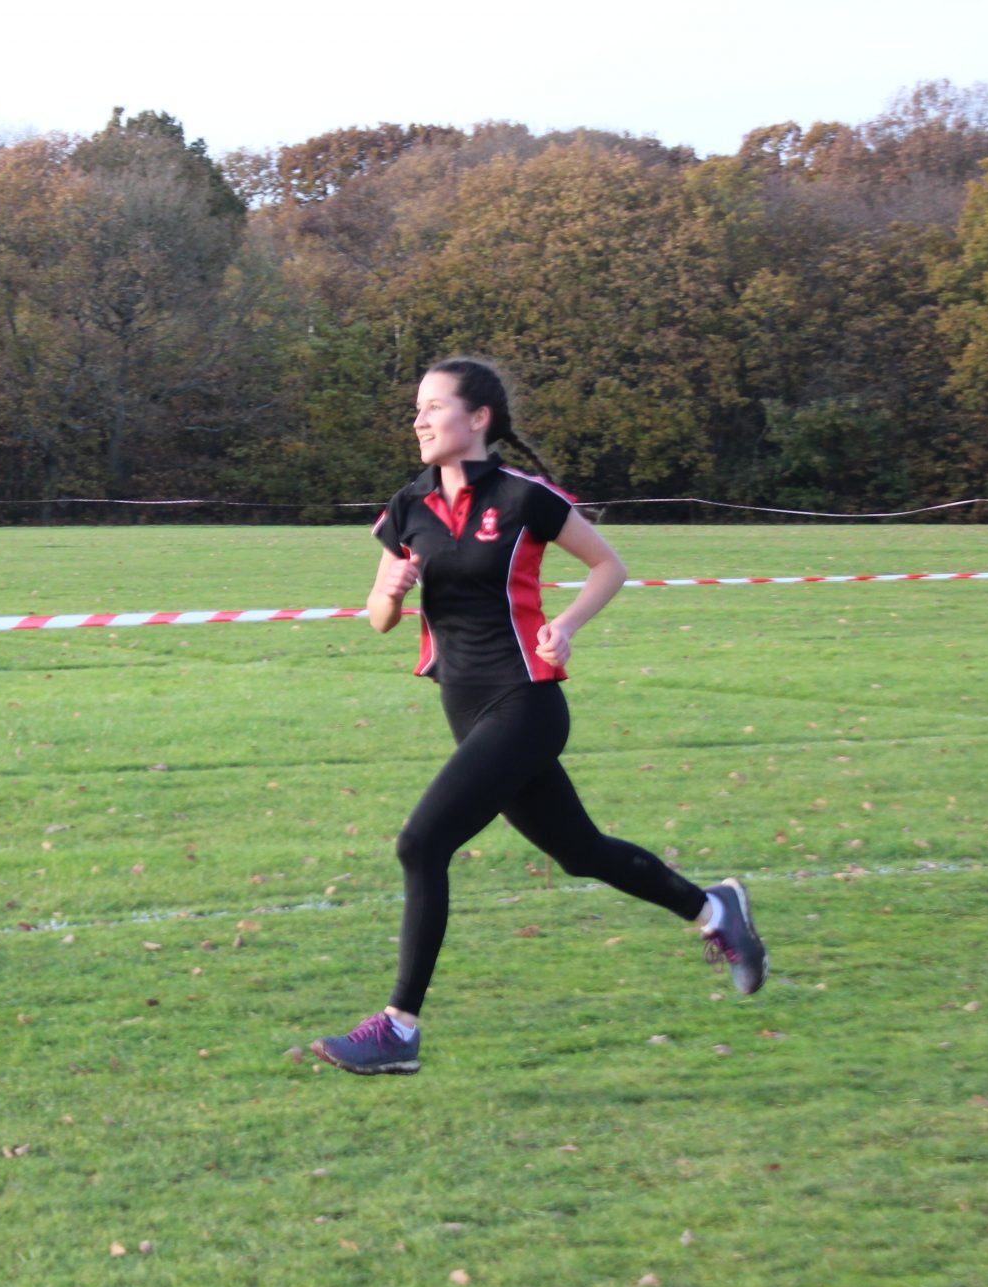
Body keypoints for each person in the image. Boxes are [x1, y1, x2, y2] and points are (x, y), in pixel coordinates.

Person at [310, 357, 767, 1077]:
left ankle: (399, 1029)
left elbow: (609, 566)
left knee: (421, 844)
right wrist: (390, 592)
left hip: (526, 704)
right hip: (466, 709)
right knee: (580, 852)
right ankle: (715, 910)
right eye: (416, 409)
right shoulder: (408, 506)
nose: (419, 420)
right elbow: (378, 619)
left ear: (478, 418)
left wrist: (569, 626)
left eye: (433, 406)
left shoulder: (525, 498)